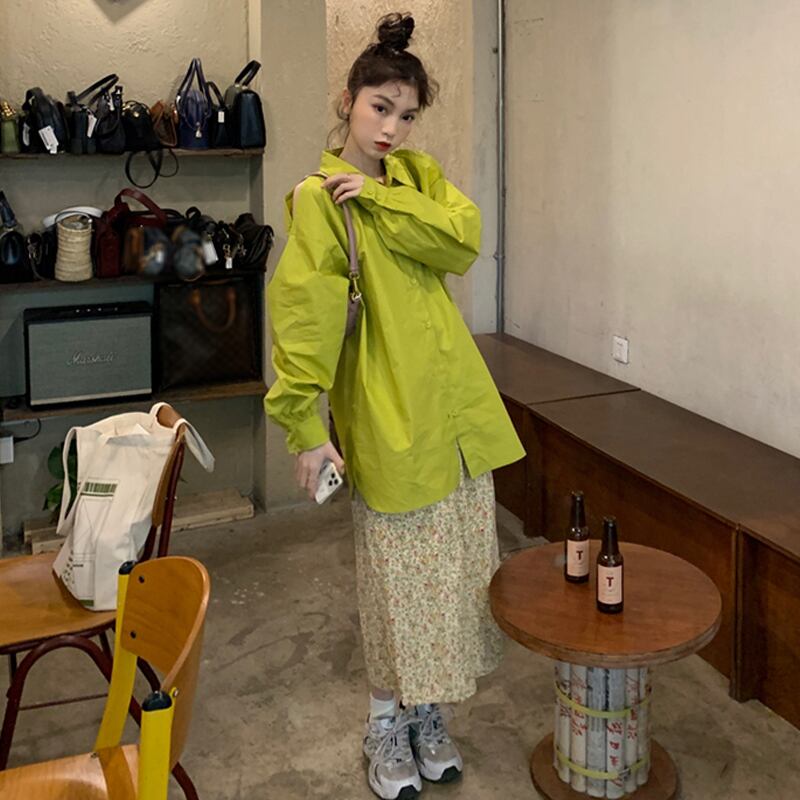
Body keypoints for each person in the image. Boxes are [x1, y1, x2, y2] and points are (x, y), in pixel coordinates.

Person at [265, 12, 525, 800]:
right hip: (389, 419)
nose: (391, 128)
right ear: (347, 101)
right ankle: (385, 723)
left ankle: (427, 714)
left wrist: (383, 201)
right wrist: (304, 428)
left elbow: (461, 241)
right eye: (380, 107)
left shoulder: (414, 179)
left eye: (407, 115)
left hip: (455, 418)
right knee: (395, 591)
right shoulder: (318, 201)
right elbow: (304, 321)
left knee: (454, 584)